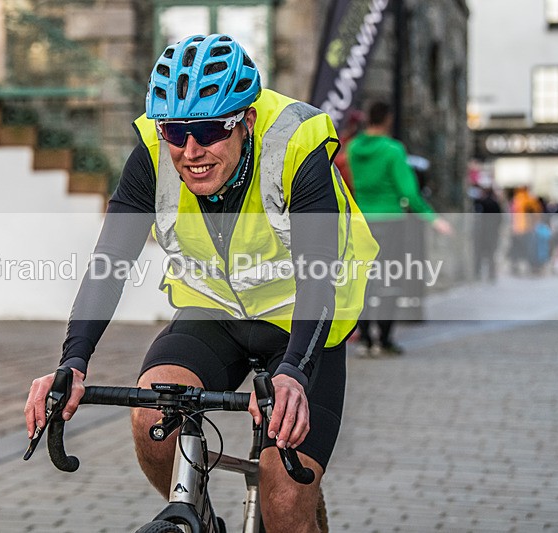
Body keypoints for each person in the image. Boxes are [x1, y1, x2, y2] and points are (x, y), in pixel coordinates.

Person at [24, 34, 377, 532]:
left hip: (301, 321)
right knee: (152, 422)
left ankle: (296, 508)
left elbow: (320, 271)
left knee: (283, 500)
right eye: (175, 131)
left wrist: (295, 372)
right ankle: (201, 522)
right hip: (213, 314)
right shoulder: (153, 153)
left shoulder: (297, 142)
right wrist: (73, 362)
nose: (190, 152)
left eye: (209, 130)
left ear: (245, 121)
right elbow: (111, 259)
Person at [346, 101, 452, 357]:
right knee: (389, 279)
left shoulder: (353, 149)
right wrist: (432, 218)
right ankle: (384, 339)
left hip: (361, 221)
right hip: (391, 221)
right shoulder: (393, 150)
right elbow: (408, 192)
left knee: (363, 280)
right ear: (387, 120)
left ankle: (365, 340)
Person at [472, 185, 503, 282]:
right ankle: (491, 275)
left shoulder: (481, 203)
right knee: (491, 255)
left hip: (482, 232)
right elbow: (500, 219)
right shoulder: (495, 203)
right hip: (492, 233)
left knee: (479, 254)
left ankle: (477, 273)